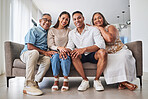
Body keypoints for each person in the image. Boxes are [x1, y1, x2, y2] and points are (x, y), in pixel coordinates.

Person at [92, 12, 138, 91]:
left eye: (99, 18)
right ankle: (123, 83)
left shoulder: (110, 27)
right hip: (107, 53)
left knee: (124, 56)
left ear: (103, 19)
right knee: (106, 59)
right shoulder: (94, 31)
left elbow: (110, 39)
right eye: (95, 19)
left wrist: (101, 28)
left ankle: (122, 82)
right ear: (93, 22)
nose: (97, 20)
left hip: (119, 50)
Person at [65, 11, 107, 91]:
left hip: (93, 54)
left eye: (79, 18)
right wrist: (65, 50)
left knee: (103, 52)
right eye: (74, 19)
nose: (77, 20)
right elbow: (70, 46)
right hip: (81, 56)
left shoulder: (93, 29)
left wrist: (84, 49)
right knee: (73, 55)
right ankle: (85, 80)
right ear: (73, 21)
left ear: (83, 18)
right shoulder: (71, 33)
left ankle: (97, 80)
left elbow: (101, 45)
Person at [20, 13, 57, 96]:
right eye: (45, 20)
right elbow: (29, 46)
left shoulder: (49, 31)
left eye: (49, 21)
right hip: (27, 54)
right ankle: (28, 84)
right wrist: (44, 52)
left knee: (47, 59)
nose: (47, 22)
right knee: (34, 52)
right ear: (40, 21)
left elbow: (59, 26)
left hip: (39, 55)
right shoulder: (33, 30)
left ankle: (35, 82)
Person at [47, 11, 71, 91]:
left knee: (65, 57)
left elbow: (70, 42)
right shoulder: (52, 30)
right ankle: (56, 80)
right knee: (56, 57)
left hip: (66, 51)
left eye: (67, 19)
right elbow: (50, 45)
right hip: (55, 51)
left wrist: (65, 50)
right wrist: (59, 48)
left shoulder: (69, 30)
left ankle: (66, 80)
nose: (64, 21)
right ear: (59, 18)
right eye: (63, 18)